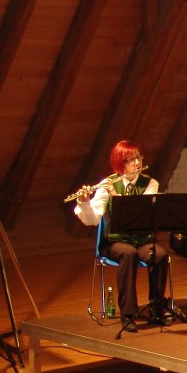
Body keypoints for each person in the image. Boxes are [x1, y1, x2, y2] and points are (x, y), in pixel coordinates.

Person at [73, 140, 170, 332]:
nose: (137, 163)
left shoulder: (150, 184)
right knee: (129, 254)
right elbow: (92, 219)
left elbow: (138, 213)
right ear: (120, 163)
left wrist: (117, 198)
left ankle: (157, 309)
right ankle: (128, 314)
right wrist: (84, 202)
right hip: (115, 241)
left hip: (141, 239)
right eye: (130, 160)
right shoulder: (108, 184)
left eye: (138, 157)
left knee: (159, 256)